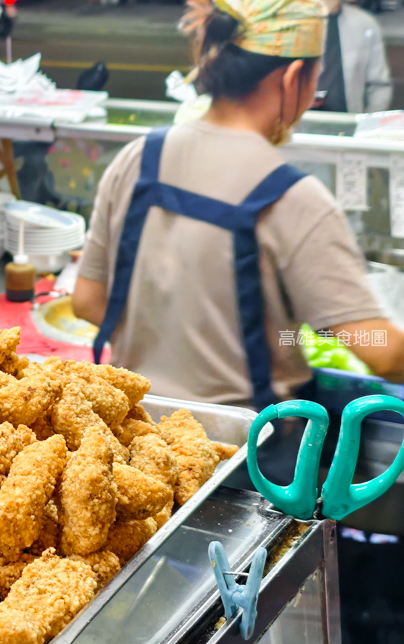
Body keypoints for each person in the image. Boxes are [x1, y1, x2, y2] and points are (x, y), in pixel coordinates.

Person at [72, 0, 404, 410]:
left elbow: (87, 301)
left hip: (136, 427)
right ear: (294, 77)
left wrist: (177, 342)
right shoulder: (295, 198)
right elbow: (382, 350)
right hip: (246, 452)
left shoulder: (137, 158)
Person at [317, 0, 391, 113]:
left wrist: (368, 124)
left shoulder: (365, 24)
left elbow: (379, 85)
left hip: (350, 121)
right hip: (297, 122)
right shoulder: (288, 23)